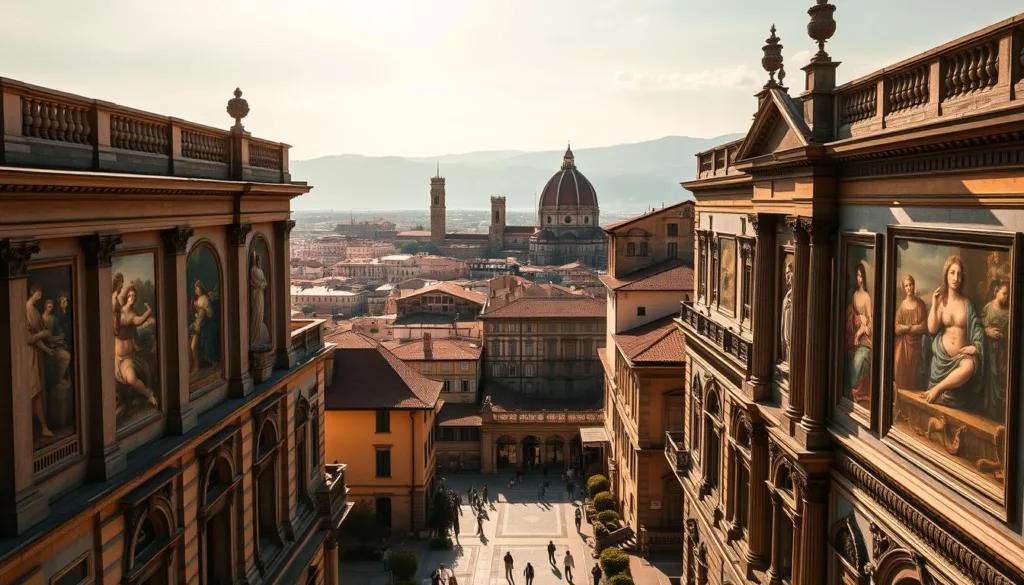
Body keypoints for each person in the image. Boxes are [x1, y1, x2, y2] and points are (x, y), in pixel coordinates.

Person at [923, 255, 984, 408]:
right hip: (942, 360)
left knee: (969, 367)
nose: (955, 278)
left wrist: (975, 347)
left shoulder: (967, 303)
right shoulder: (941, 301)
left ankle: (938, 388)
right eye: (952, 273)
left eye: (959, 274)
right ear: (946, 274)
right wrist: (934, 305)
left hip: (961, 358)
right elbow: (931, 328)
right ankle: (940, 388)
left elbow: (977, 328)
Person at [844, 261, 873, 405]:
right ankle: (853, 390)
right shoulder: (855, 294)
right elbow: (853, 315)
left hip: (865, 336)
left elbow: (869, 320)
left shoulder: (867, 296)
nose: (859, 279)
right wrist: (854, 330)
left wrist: (860, 332)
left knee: (860, 359)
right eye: (857, 276)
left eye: (861, 276)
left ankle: (858, 391)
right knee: (851, 359)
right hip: (854, 332)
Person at [894, 274, 927, 390]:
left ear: (914, 285)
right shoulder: (902, 307)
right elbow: (896, 327)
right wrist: (905, 328)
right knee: (900, 367)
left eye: (910, 284)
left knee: (916, 374)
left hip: (917, 345)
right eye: (906, 285)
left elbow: (924, 326)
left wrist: (912, 328)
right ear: (904, 288)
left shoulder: (920, 304)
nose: (909, 288)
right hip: (903, 345)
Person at [982, 282, 1009, 419]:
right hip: (989, 352)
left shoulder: (1009, 312)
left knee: (1001, 378)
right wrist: (987, 331)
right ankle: (989, 412)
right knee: (990, 379)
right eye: (1004, 293)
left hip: (1003, 353)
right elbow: (980, 326)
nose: (1007, 296)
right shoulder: (988, 308)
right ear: (996, 291)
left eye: (1008, 293)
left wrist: (1003, 336)